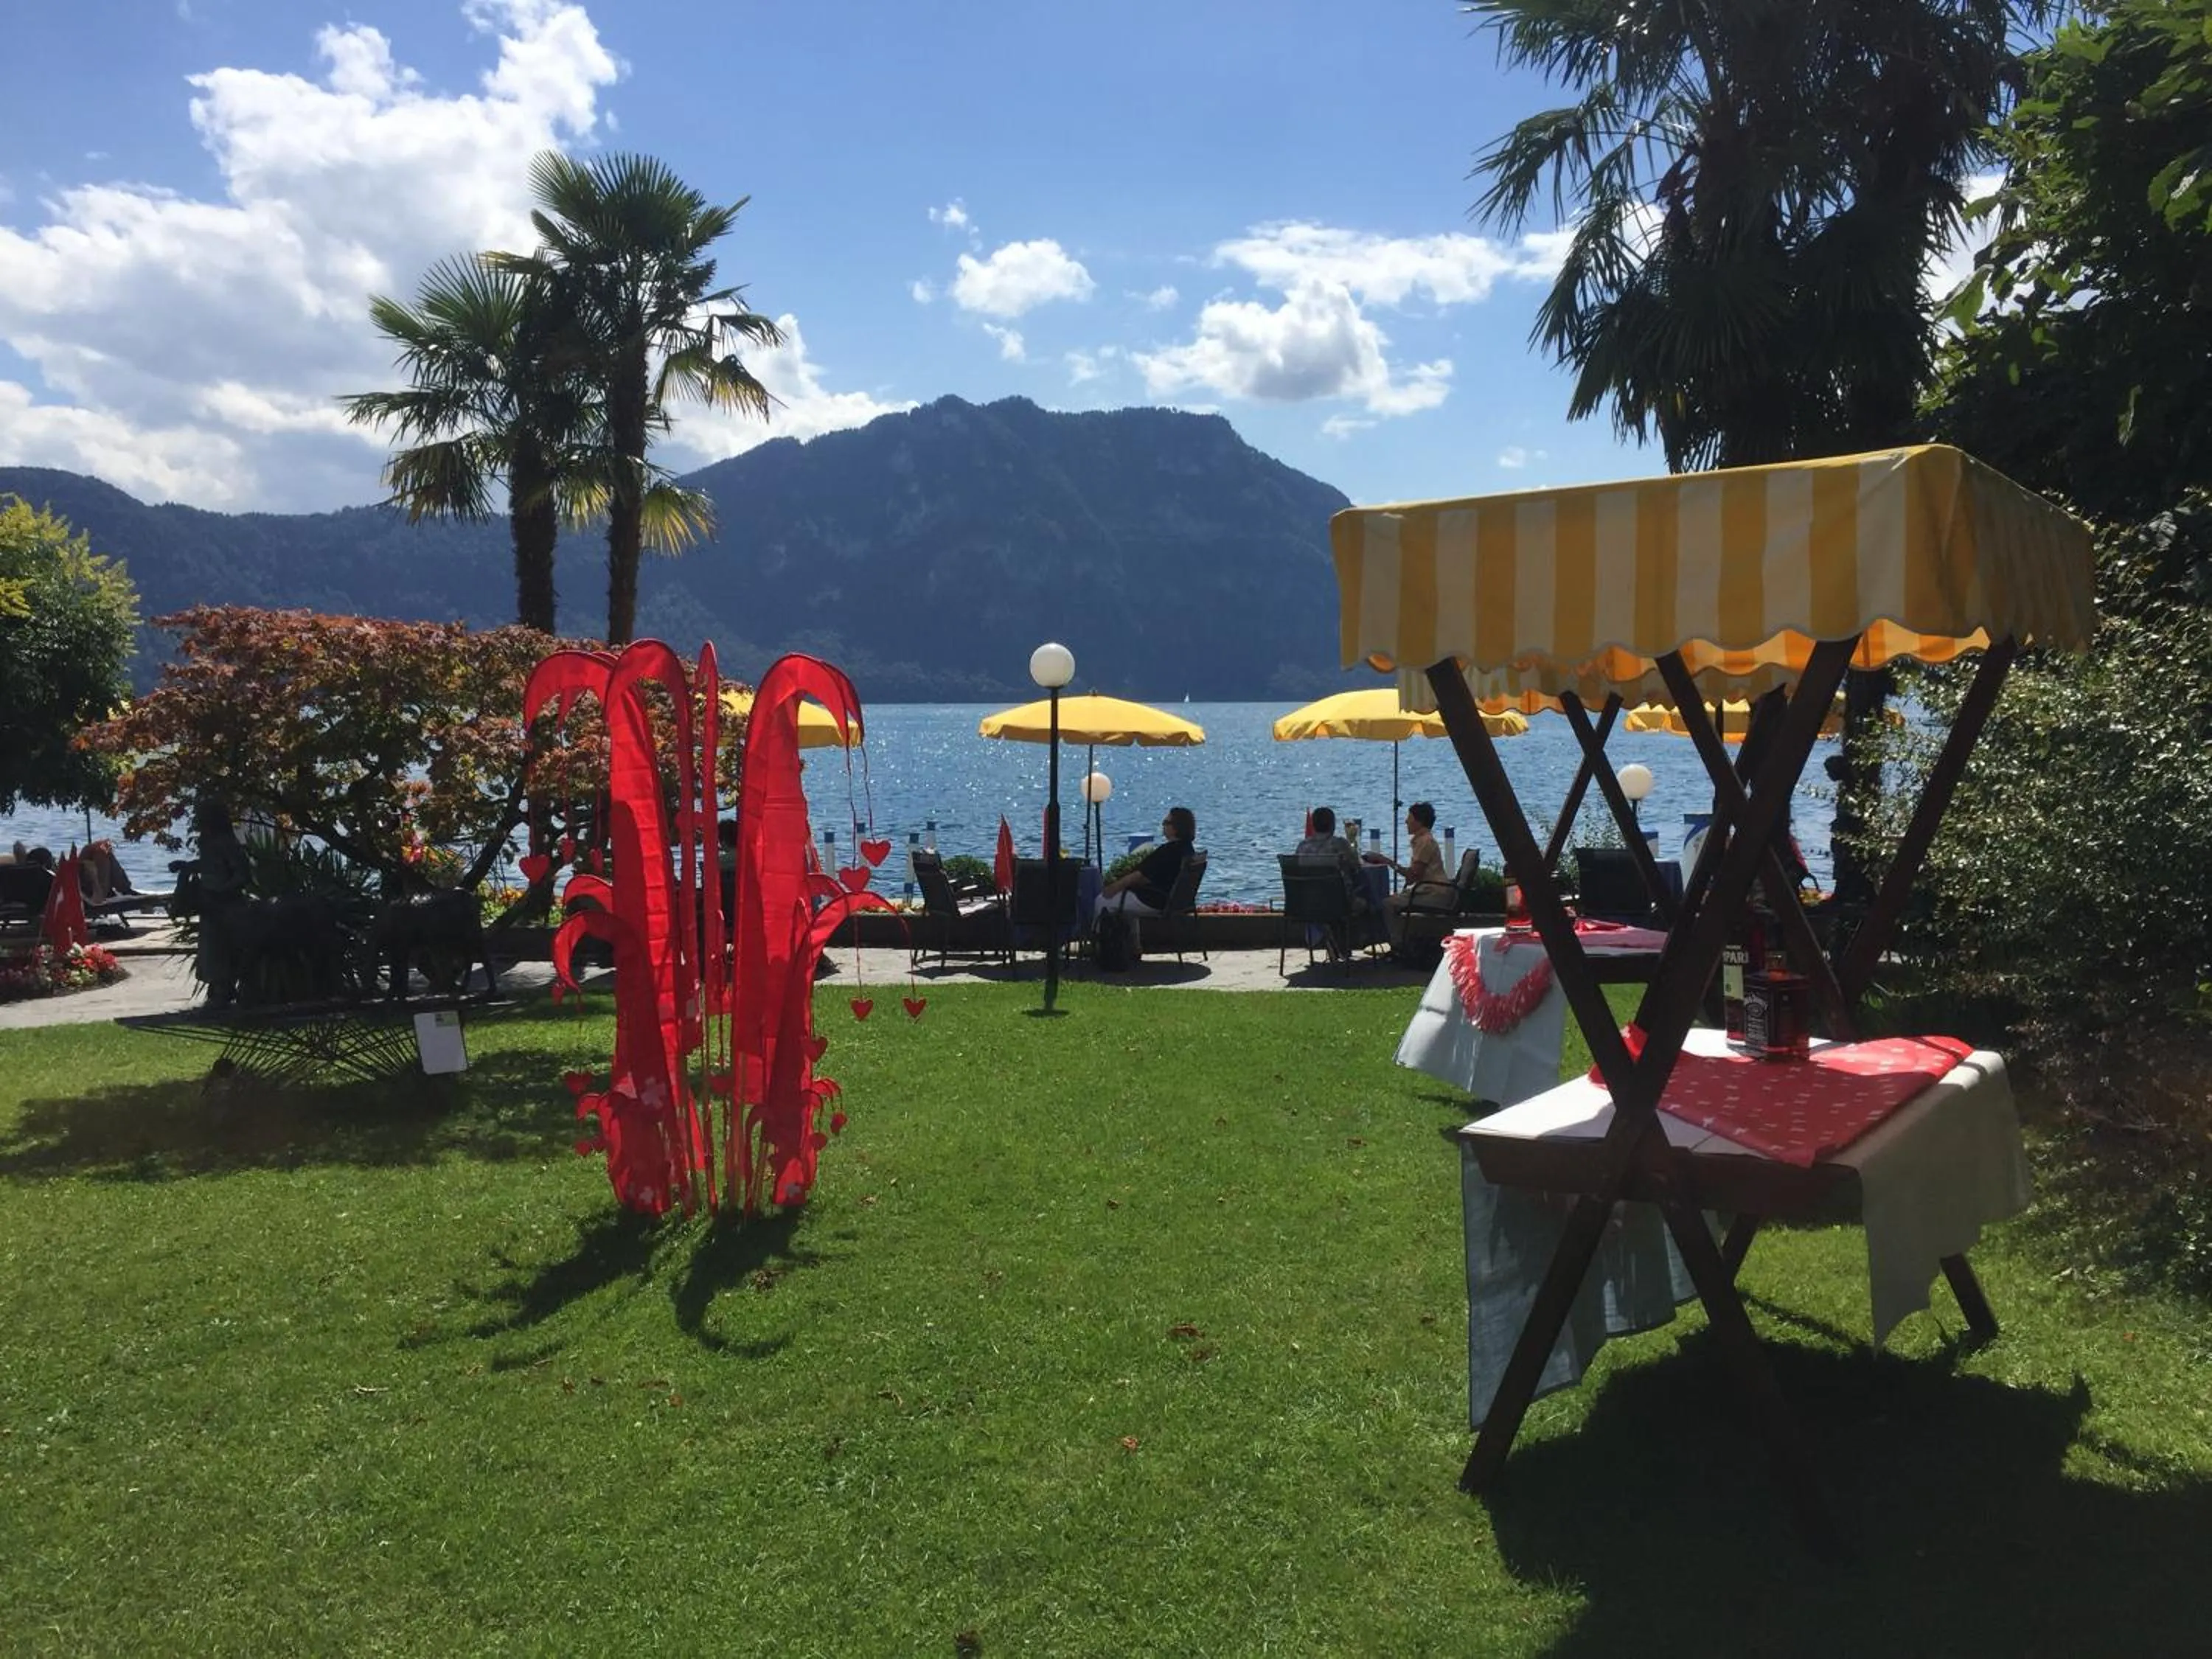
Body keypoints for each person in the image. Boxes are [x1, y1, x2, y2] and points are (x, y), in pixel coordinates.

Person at [1098, 805, 1196, 953]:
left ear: (1176, 827)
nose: (1163, 826)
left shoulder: (1167, 851)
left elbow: (1138, 875)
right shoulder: (1187, 850)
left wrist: (1112, 888)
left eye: (1166, 822)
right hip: (1174, 901)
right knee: (1125, 904)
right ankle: (1134, 947)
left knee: (1102, 901)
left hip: (1156, 900)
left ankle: (1099, 946)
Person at [1372, 801, 1446, 953]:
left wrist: (1386, 861)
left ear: (1419, 821)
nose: (1406, 821)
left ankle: (1398, 945)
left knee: (1387, 904)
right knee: (1393, 901)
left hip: (1434, 892)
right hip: (1429, 889)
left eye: (1409, 818)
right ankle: (1399, 940)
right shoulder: (1422, 840)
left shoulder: (1425, 842)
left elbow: (1413, 876)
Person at [1295, 806, 1367, 961]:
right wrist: (1352, 842)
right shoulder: (1339, 844)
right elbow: (1357, 866)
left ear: (1313, 825)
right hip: (1338, 904)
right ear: (1333, 825)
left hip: (1307, 905)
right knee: (1368, 900)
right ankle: (1350, 943)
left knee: (1333, 899)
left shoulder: (1302, 847)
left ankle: (1334, 942)